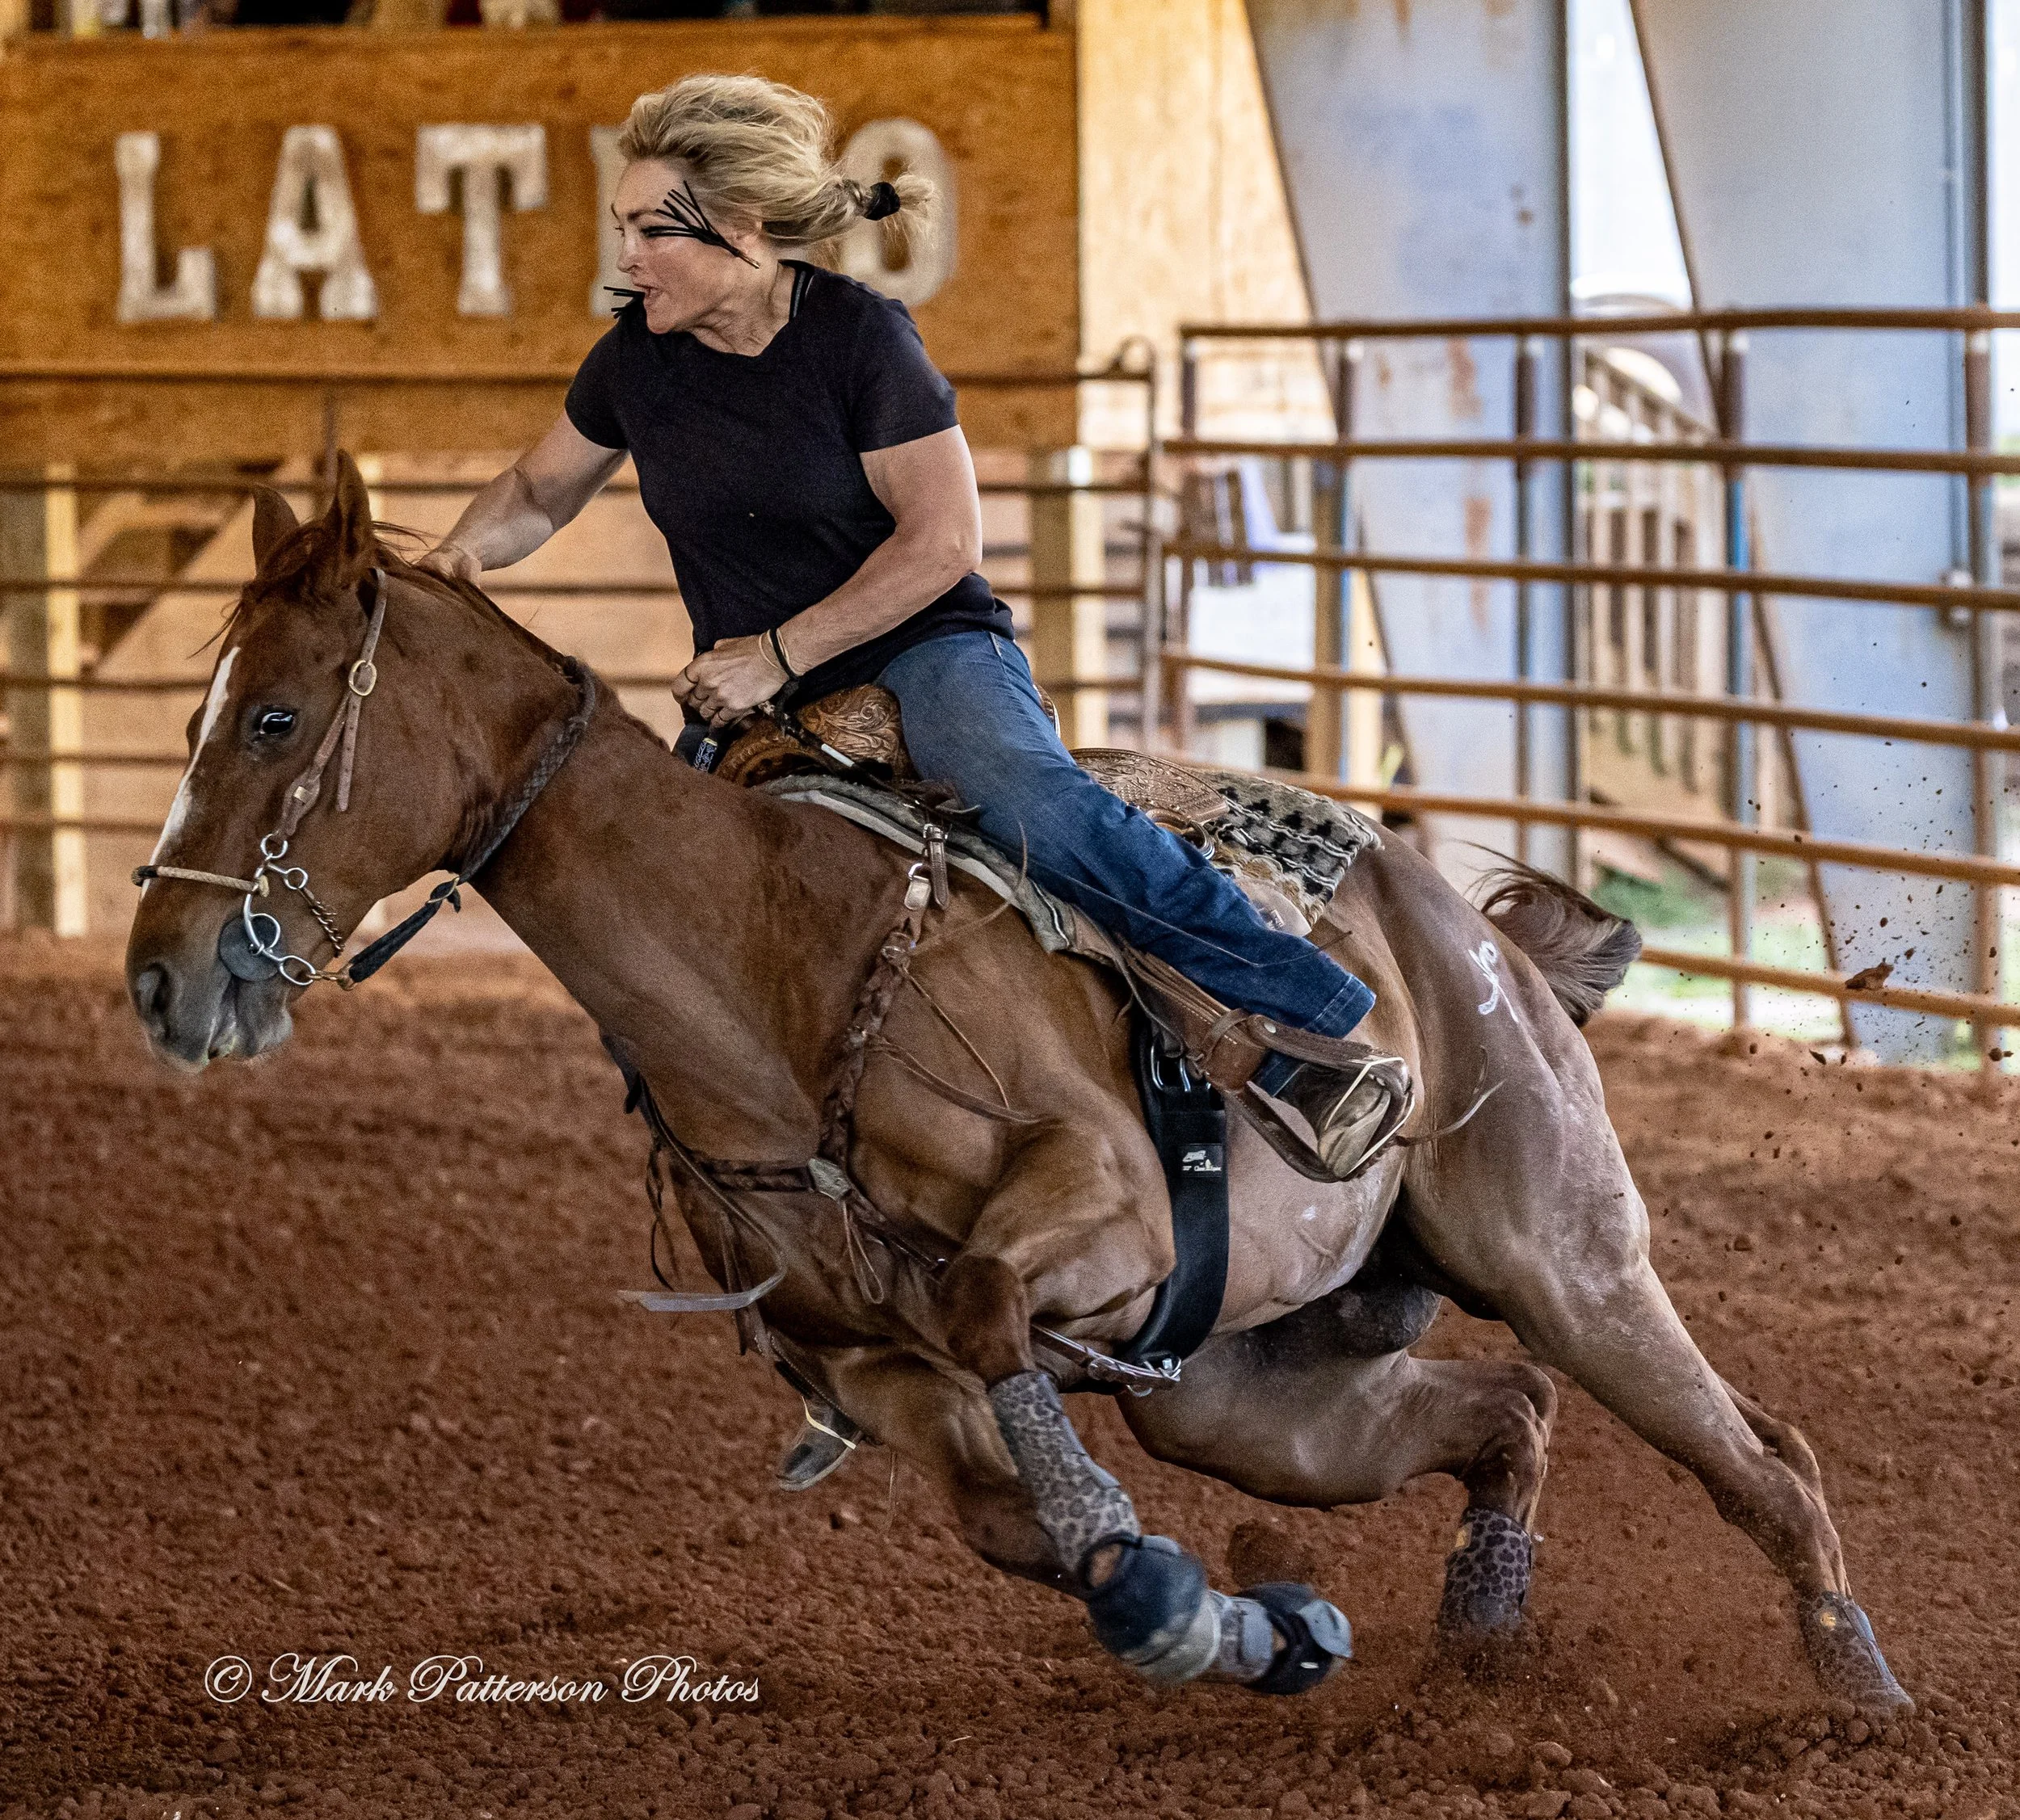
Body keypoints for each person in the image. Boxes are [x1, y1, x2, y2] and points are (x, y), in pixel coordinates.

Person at [420, 74, 1412, 1490]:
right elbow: (535, 495)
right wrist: (452, 566)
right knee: (656, 947)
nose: (626, 256)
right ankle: (829, 1312)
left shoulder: (858, 341)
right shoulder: (635, 359)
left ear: (749, 229)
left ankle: (1308, 1027)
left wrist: (777, 652)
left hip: (921, 657)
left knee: (1032, 805)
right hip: (758, 688)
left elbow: (943, 539)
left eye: (654, 229)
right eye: (626, 227)